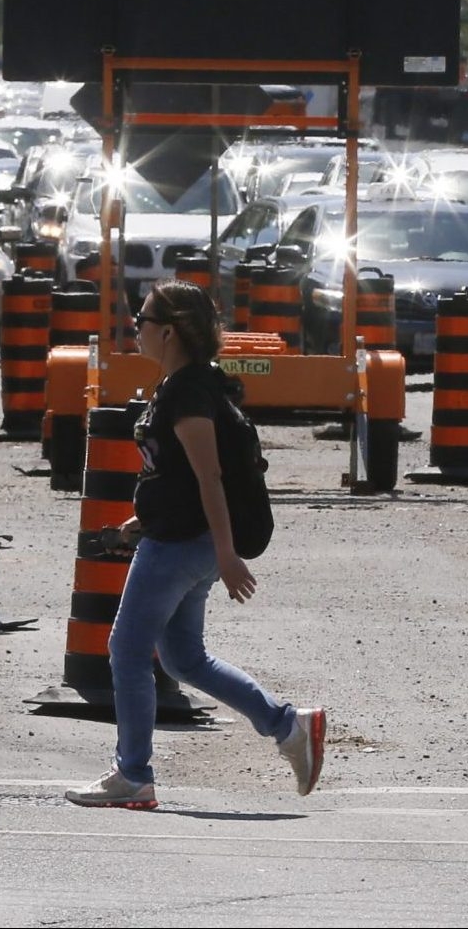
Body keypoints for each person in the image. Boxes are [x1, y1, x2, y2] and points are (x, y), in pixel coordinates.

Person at [66, 280, 324, 811]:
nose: (136, 328)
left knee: (127, 650)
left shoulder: (188, 393)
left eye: (142, 320)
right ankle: (287, 726)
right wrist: (140, 520)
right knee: (184, 658)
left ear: (170, 331)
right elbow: (180, 477)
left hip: (183, 544)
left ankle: (133, 775)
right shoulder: (188, 384)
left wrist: (226, 555)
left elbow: (210, 477)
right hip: (182, 537)